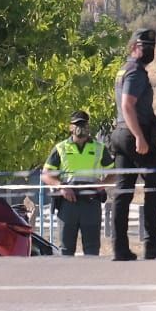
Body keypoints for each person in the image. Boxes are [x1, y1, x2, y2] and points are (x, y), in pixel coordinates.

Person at [109, 29, 156, 261]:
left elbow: (137, 109)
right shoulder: (136, 72)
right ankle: (152, 243)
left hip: (120, 133)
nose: (148, 51)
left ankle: (120, 248)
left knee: (123, 192)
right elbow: (128, 106)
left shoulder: (124, 70)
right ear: (133, 48)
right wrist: (139, 136)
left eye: (151, 47)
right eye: (143, 46)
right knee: (155, 186)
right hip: (131, 135)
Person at [41, 110, 112, 256]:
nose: (80, 128)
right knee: (66, 250)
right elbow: (46, 175)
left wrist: (103, 184)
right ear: (70, 127)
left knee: (92, 249)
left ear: (88, 126)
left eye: (83, 124)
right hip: (68, 203)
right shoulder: (61, 148)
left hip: (91, 203)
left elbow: (115, 174)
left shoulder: (99, 148)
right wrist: (61, 187)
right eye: (76, 124)